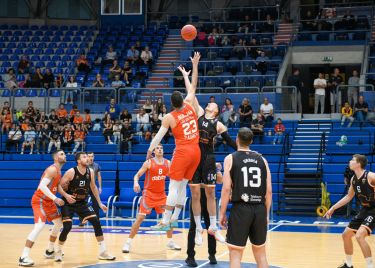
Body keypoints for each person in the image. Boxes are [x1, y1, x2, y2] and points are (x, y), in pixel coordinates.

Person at [147, 52, 201, 231]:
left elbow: (158, 138)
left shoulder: (170, 117)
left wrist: (150, 150)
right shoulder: (189, 105)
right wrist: (193, 67)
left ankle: (165, 220)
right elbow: (193, 86)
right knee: (183, 186)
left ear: (171, 103)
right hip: (196, 151)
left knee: (173, 187)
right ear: (182, 100)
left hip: (183, 151)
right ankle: (175, 219)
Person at [187, 96, 237, 246]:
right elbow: (192, 93)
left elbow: (229, 141)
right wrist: (186, 76)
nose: (209, 103)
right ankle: (198, 228)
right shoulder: (199, 113)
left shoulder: (219, 124)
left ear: (215, 111)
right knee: (195, 194)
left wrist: (243, 150)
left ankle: (213, 227)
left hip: (208, 159)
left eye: (212, 104)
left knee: (210, 193)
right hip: (194, 158)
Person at [219, 127, 272, 268]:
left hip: (241, 209)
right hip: (260, 209)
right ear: (251, 141)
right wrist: (266, 214)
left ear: (237, 139)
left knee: (235, 254)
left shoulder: (230, 158)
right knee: (261, 255)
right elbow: (269, 191)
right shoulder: (262, 160)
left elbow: (225, 189)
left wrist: (222, 213)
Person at [56, 152, 115, 261]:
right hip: (68, 203)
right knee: (67, 227)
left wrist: (100, 203)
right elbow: (58, 185)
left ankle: (103, 252)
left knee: (96, 222)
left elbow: (93, 187)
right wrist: (66, 195)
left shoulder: (91, 171)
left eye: (87, 157)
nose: (87, 158)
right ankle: (58, 250)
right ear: (78, 161)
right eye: (84, 157)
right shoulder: (71, 172)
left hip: (82, 203)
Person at [122, 144, 181, 253]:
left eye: (161, 148)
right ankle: (128, 243)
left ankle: (170, 241)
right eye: (157, 148)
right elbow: (137, 175)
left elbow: (176, 174)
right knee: (139, 219)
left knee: (170, 219)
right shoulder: (149, 163)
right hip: (148, 194)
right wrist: (136, 183)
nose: (159, 150)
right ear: (153, 151)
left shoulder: (167, 163)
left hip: (162, 195)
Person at [325, 154, 375, 268]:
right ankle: (349, 264)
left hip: (374, 209)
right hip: (366, 209)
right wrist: (333, 208)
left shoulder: (370, 176)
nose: (350, 161)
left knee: (359, 236)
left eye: (353, 160)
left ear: (358, 164)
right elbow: (348, 197)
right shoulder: (353, 179)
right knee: (346, 235)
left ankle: (370, 266)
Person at [18, 150, 67, 266]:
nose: (64, 155)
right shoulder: (52, 169)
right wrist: (56, 198)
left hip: (49, 202)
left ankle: (50, 250)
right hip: (40, 200)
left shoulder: (59, 171)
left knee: (59, 224)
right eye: (61, 154)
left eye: (64, 154)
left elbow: (55, 186)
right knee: (39, 226)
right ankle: (23, 257)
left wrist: (65, 194)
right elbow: (42, 186)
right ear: (55, 158)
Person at [186, 164, 223, 267]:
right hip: (196, 199)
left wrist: (217, 170)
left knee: (211, 228)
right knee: (193, 228)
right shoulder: (194, 165)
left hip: (209, 200)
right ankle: (190, 256)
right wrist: (206, 183)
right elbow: (191, 183)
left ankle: (212, 254)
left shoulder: (211, 164)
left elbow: (220, 180)